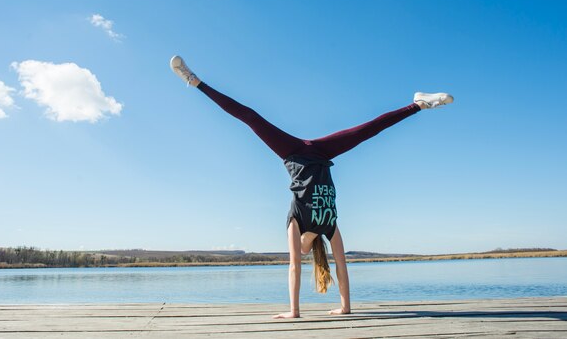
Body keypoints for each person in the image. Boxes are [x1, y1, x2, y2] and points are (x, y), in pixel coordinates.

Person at [169, 55, 453, 319]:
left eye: (300, 250)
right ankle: (419, 104)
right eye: (304, 251)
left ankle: (194, 81)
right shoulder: (324, 224)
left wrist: (302, 311)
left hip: (292, 152)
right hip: (319, 153)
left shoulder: (300, 221)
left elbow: (299, 265)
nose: (299, 252)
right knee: (367, 130)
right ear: (311, 246)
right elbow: (337, 265)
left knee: (252, 118)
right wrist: (343, 309)